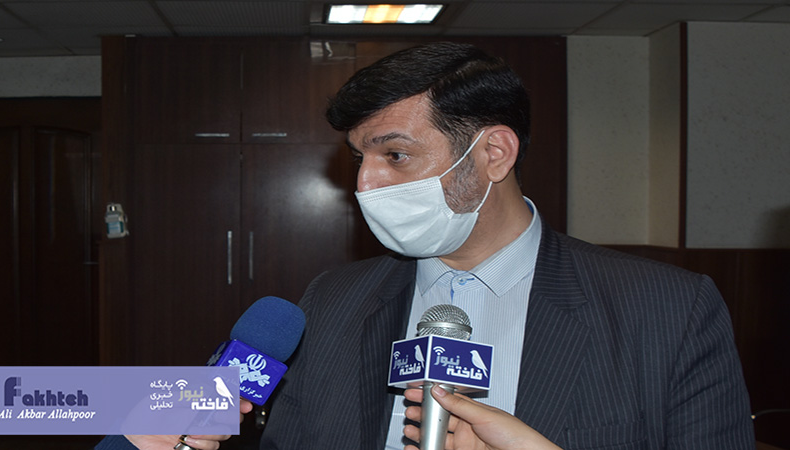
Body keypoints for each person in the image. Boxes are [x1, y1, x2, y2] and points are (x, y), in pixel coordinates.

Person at [100, 41, 754, 449]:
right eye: (359, 159)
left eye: (395, 155)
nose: (365, 183)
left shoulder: (668, 312)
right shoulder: (330, 301)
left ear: (493, 153)